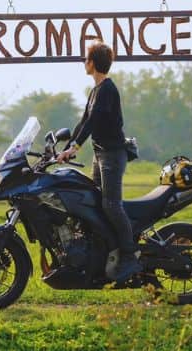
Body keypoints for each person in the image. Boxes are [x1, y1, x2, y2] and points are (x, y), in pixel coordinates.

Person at [58, 42, 142, 283]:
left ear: (93, 62)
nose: (84, 62)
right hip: (100, 154)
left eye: (86, 59)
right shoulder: (96, 90)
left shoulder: (107, 89)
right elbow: (84, 121)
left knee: (111, 204)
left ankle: (129, 254)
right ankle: (105, 251)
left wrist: (75, 147)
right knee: (94, 202)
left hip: (113, 155)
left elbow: (93, 121)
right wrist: (66, 149)